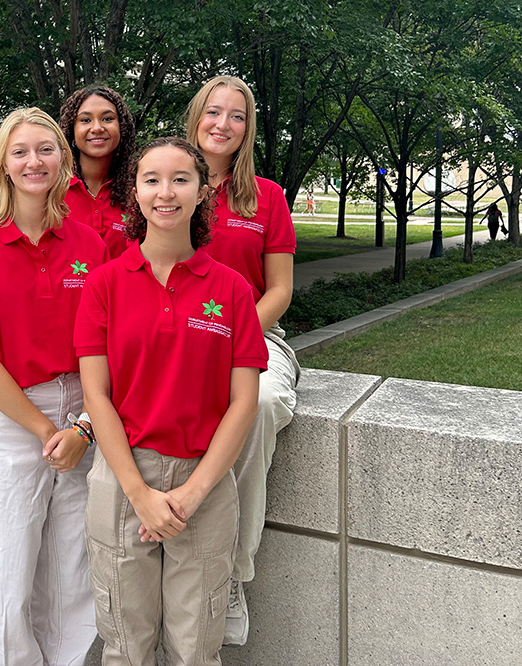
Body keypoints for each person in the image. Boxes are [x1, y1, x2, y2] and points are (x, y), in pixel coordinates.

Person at [76, 136, 267, 665]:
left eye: (181, 179)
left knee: (196, 649)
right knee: (126, 647)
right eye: (151, 180)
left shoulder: (230, 291)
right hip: (121, 479)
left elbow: (244, 402)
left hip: (204, 481)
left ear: (204, 191)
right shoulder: (104, 286)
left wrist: (193, 493)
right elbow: (97, 394)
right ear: (133, 192)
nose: (166, 193)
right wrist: (138, 492)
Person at [0, 107, 109, 665]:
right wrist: (47, 429)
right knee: (5, 571)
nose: (33, 160)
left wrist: (84, 429)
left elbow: (102, 349)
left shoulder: (90, 245)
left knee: (71, 572)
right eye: (20, 151)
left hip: (82, 415)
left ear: (64, 162)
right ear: (3, 166)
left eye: (46, 149)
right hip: (14, 416)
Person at [186, 75, 302, 646]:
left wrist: (230, 335)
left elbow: (279, 291)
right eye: (214, 112)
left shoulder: (268, 197)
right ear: (196, 117)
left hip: (253, 336)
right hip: (174, 339)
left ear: (247, 129)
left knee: (257, 405)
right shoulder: (166, 183)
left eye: (237, 116)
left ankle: (233, 577)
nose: (223, 124)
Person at [60, 85, 137, 259]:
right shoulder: (53, 189)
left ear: (121, 127)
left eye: (107, 119)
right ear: (72, 130)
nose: (97, 128)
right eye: (85, 120)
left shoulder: (139, 190)